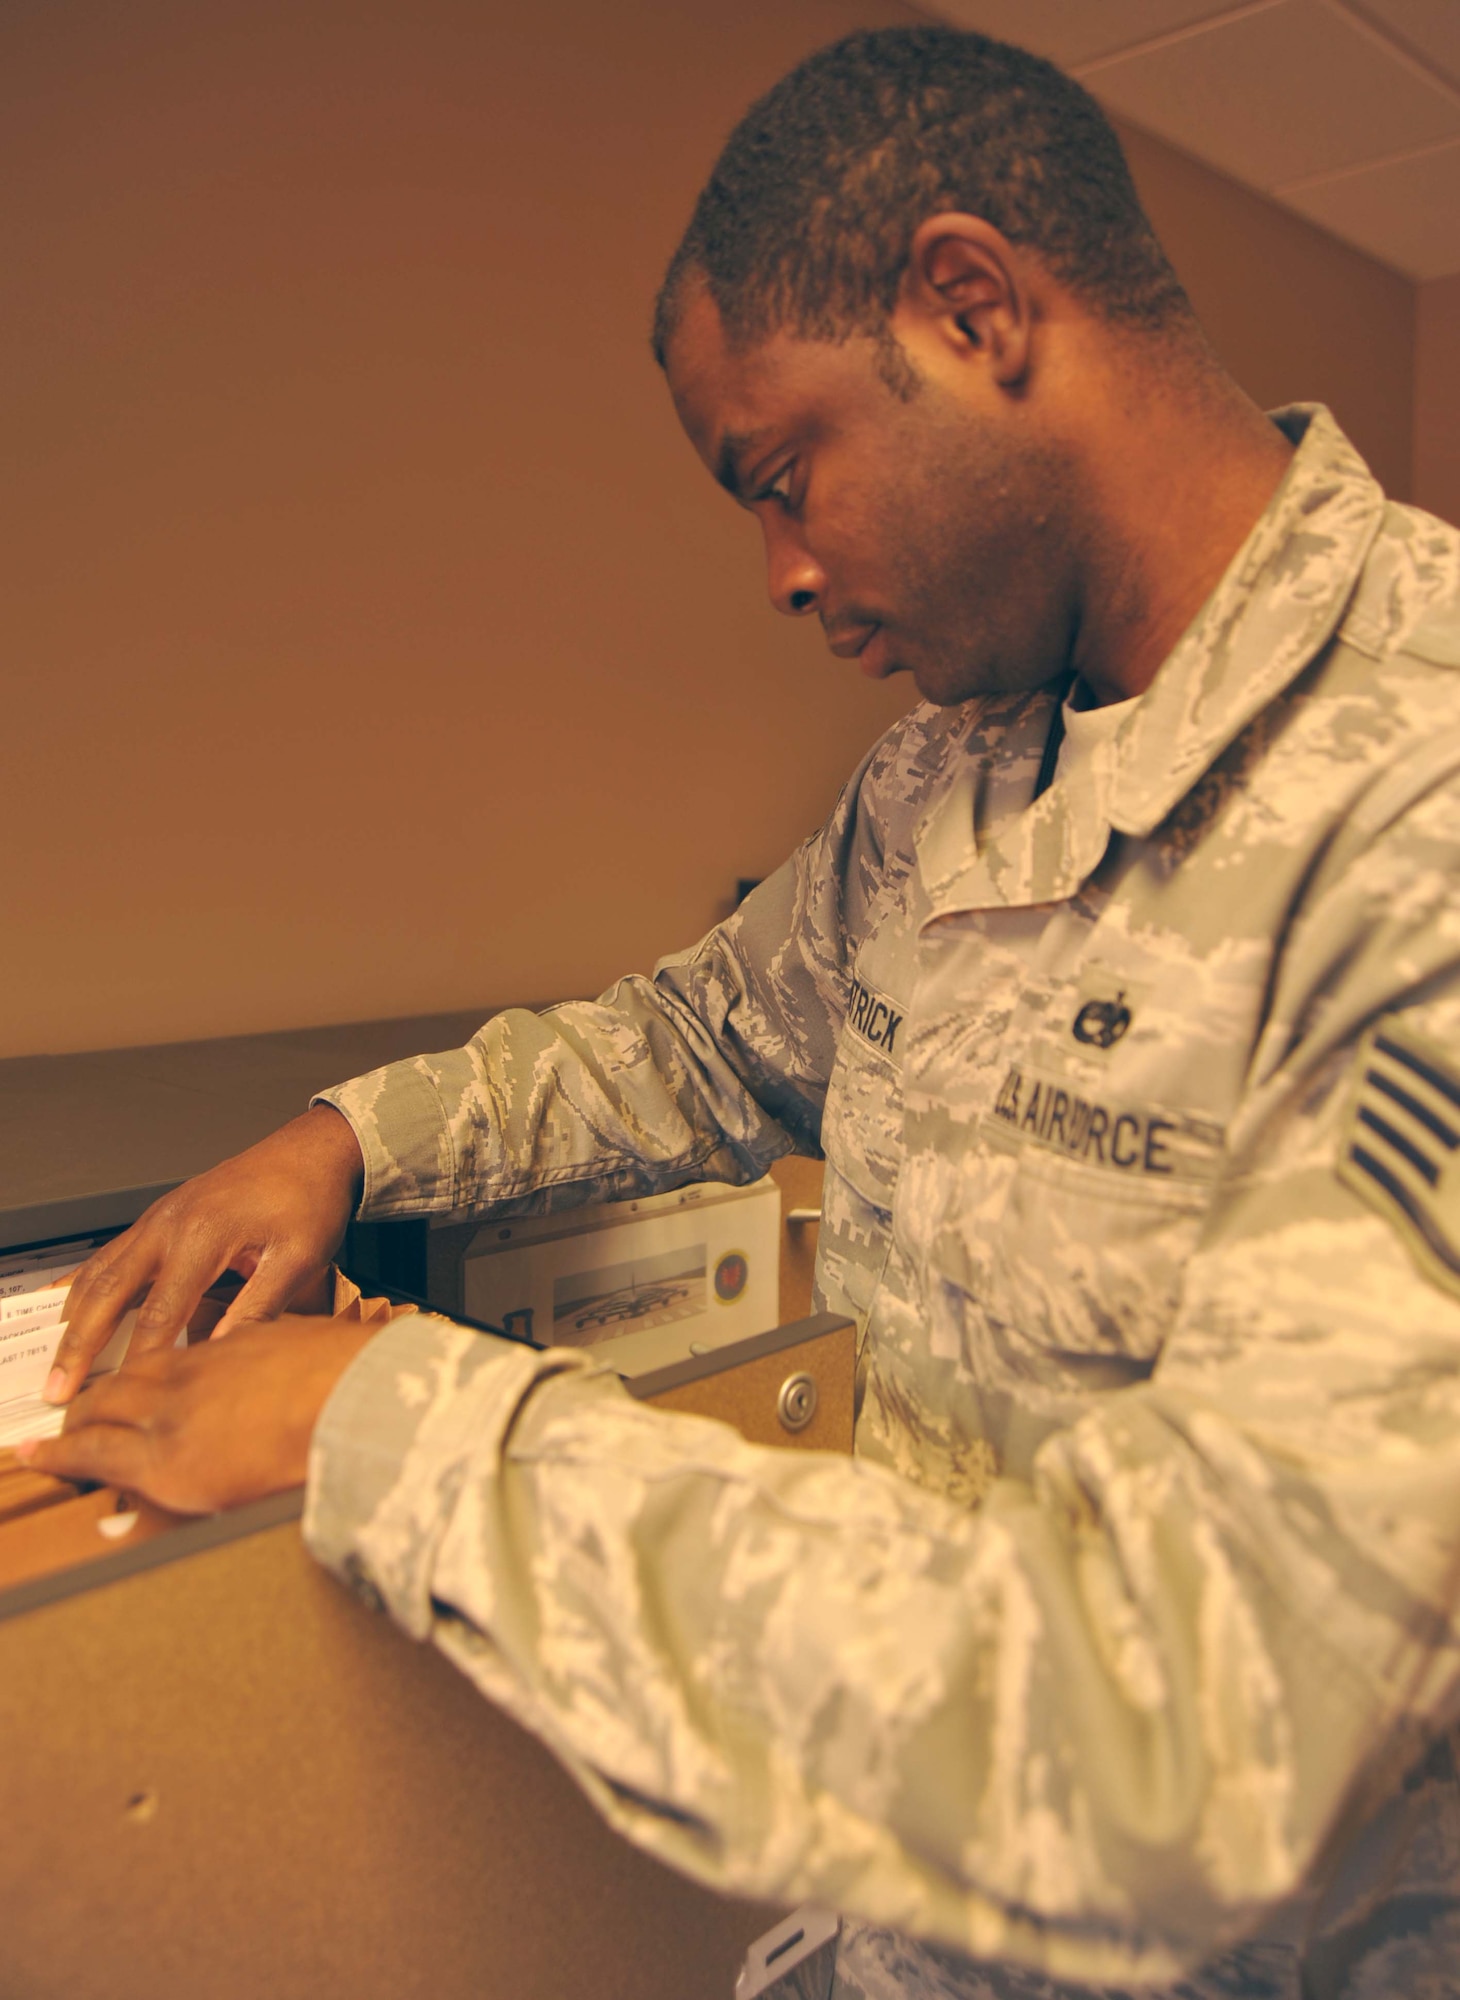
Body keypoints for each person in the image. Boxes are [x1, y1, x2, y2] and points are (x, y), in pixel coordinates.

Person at [22, 25, 1460, 1999]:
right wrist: (347, 1139)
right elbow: (689, 1044)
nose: (781, 574)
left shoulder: (1418, 802)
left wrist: (389, 1427)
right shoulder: (943, 781)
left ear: (972, 306)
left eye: (783, 479)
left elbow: (1196, 1736)